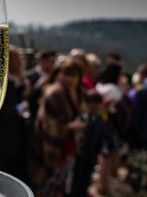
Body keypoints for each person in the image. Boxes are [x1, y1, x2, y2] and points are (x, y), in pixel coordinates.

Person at [29, 60, 85, 197]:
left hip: (68, 149)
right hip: (49, 147)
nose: (69, 79)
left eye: (73, 75)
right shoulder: (54, 93)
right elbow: (48, 123)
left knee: (61, 185)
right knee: (44, 186)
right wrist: (71, 126)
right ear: (59, 74)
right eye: (66, 74)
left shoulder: (78, 94)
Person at [0, 46, 29, 182]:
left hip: (8, 142)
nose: (21, 62)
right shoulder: (0, 81)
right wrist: (19, 109)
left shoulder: (14, 80)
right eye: (18, 58)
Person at [95, 63, 123, 195]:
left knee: (104, 154)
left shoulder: (100, 85)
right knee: (109, 154)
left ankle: (102, 183)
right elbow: (106, 107)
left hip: (101, 123)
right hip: (109, 124)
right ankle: (105, 184)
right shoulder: (113, 89)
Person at [71, 90, 105, 197]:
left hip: (92, 154)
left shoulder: (102, 117)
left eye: (97, 103)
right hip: (80, 154)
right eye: (92, 103)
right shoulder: (83, 118)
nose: (95, 106)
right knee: (77, 178)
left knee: (86, 178)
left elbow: (103, 134)